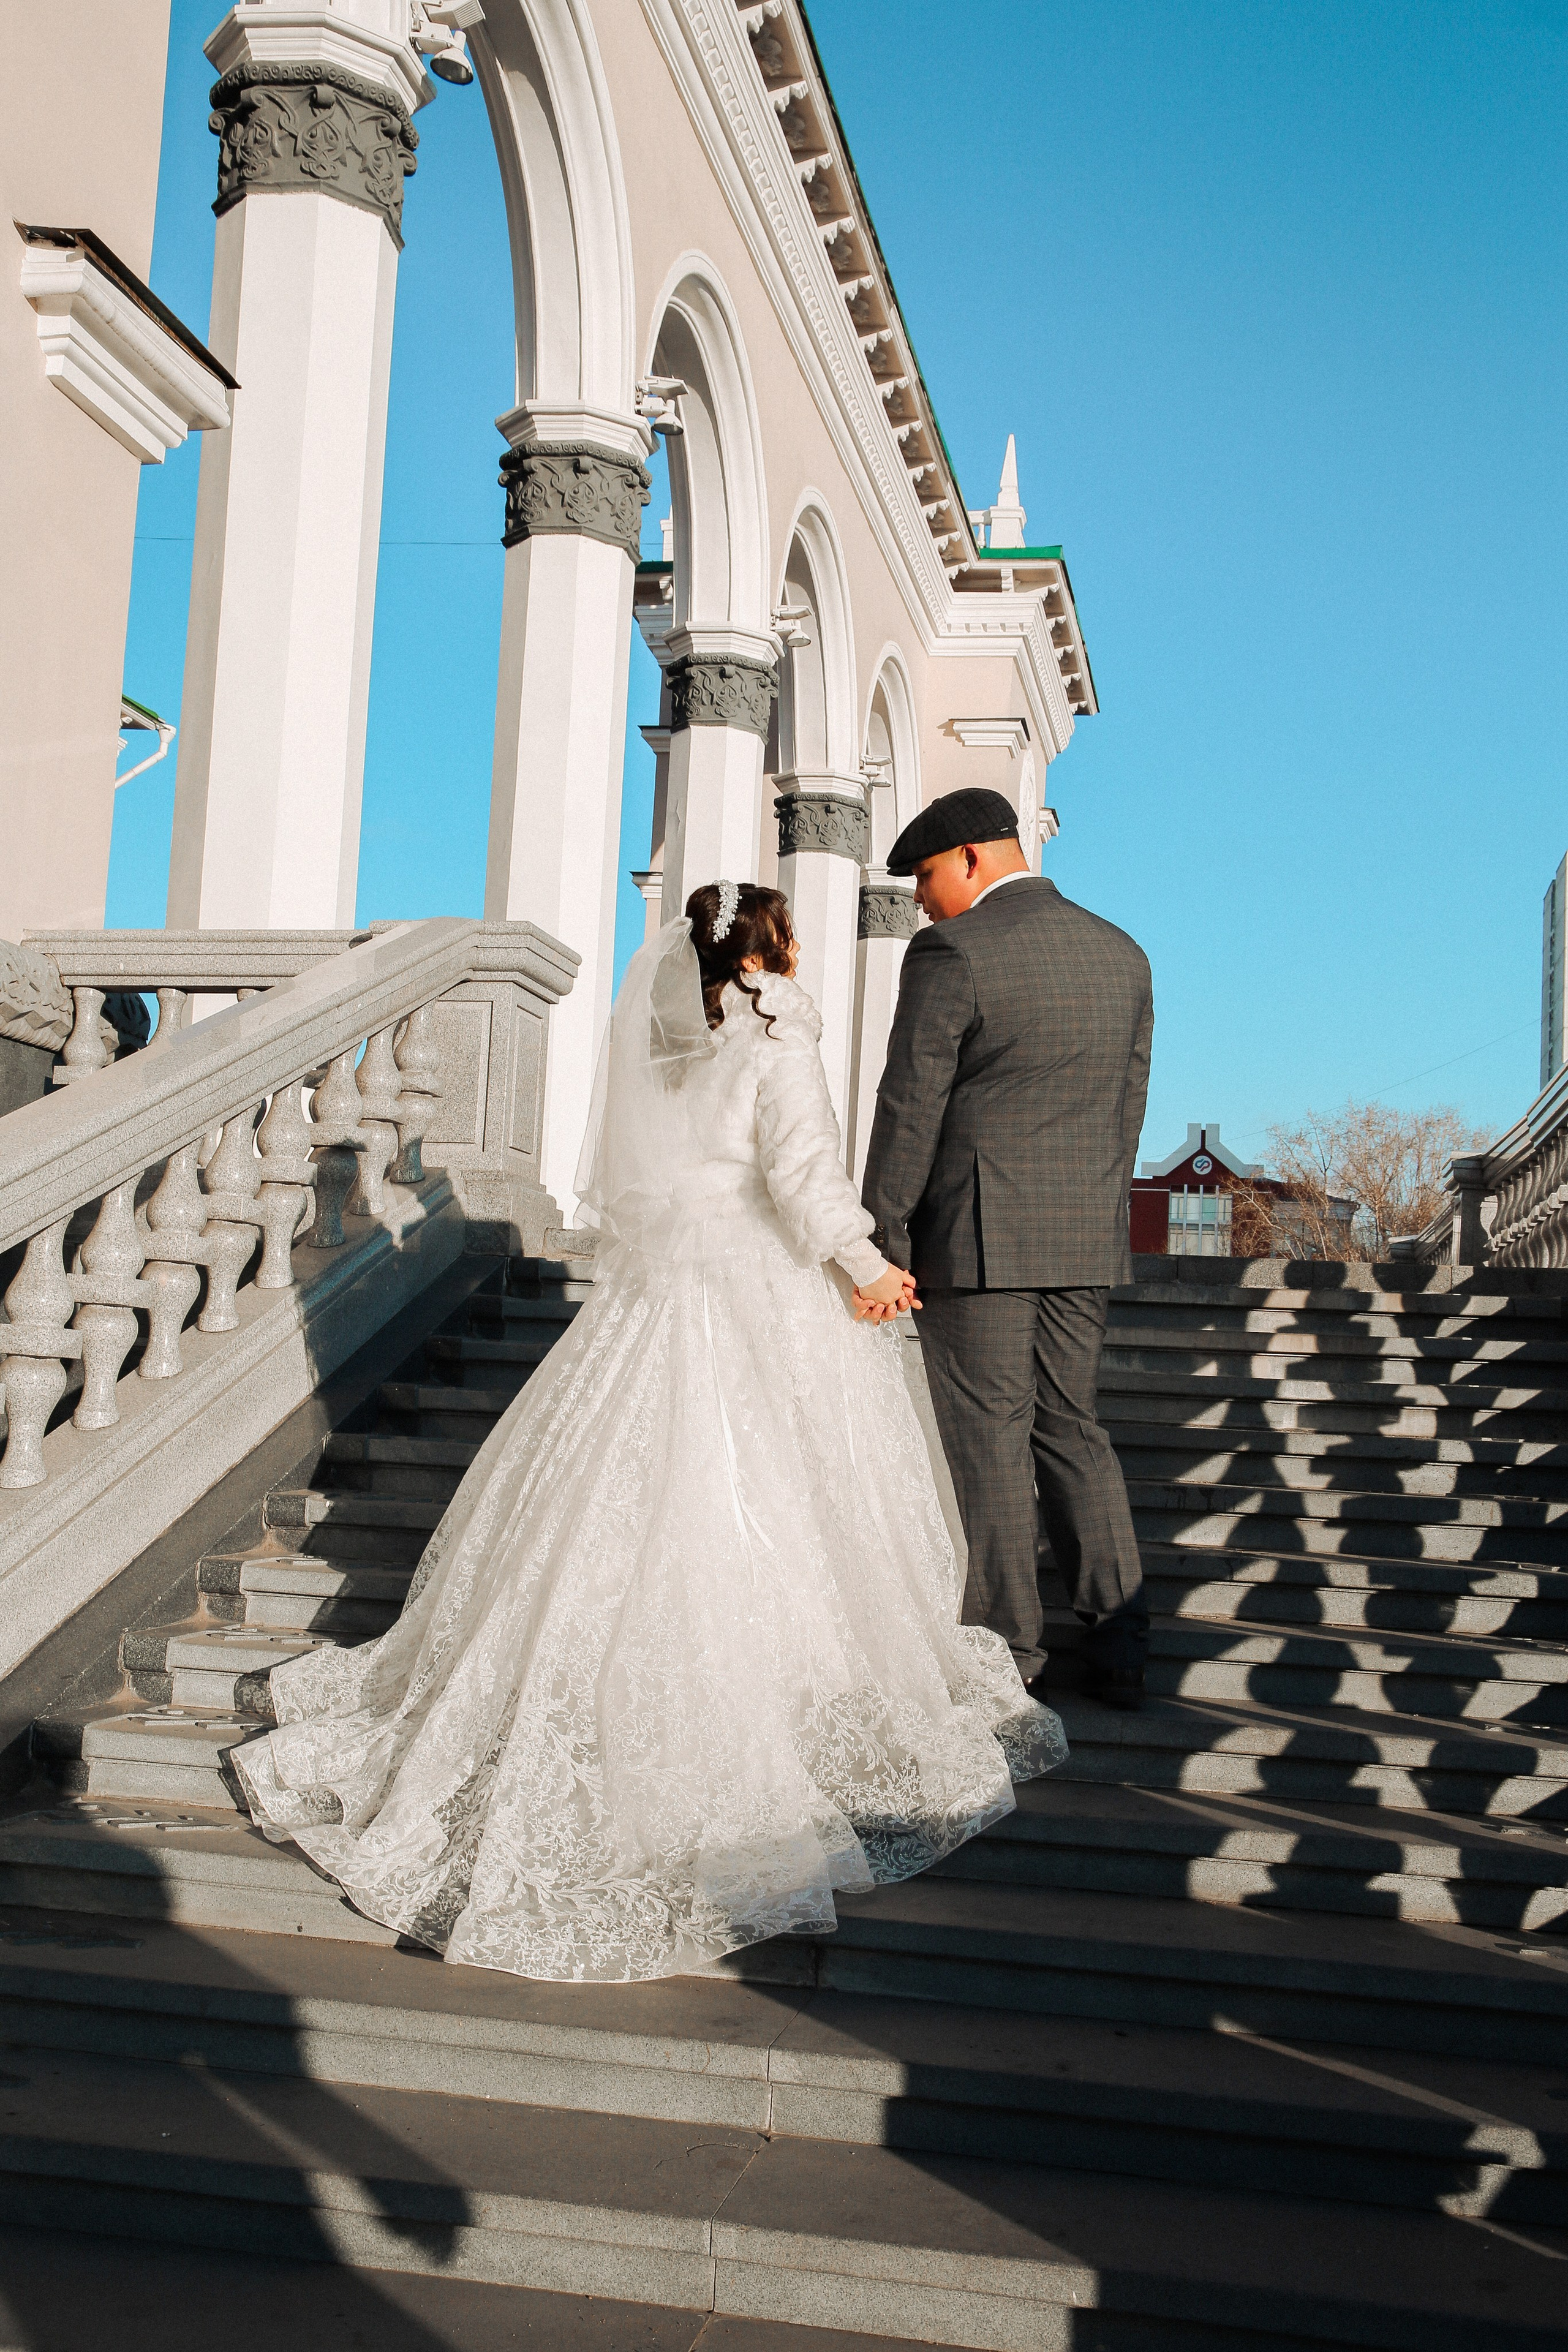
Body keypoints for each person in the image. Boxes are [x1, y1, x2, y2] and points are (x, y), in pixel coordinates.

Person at [235, 882, 1065, 1983]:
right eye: (793, 935)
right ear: (769, 950)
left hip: (661, 1290)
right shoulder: (776, 1041)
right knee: (779, 1493)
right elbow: (805, 1177)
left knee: (631, 1486)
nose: (805, 948)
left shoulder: (668, 1048)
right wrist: (868, 1269)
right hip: (757, 1285)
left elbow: (644, 1181)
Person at [859, 788, 1154, 1711]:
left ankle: (1007, 1656)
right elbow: (1128, 1106)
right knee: (1072, 1428)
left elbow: (911, 1105)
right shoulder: (1123, 954)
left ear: (975, 860)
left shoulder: (953, 951)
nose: (918, 897)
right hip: (1083, 1230)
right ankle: (1121, 1642)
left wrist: (882, 1236)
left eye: (926, 875)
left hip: (978, 1237)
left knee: (987, 1440)